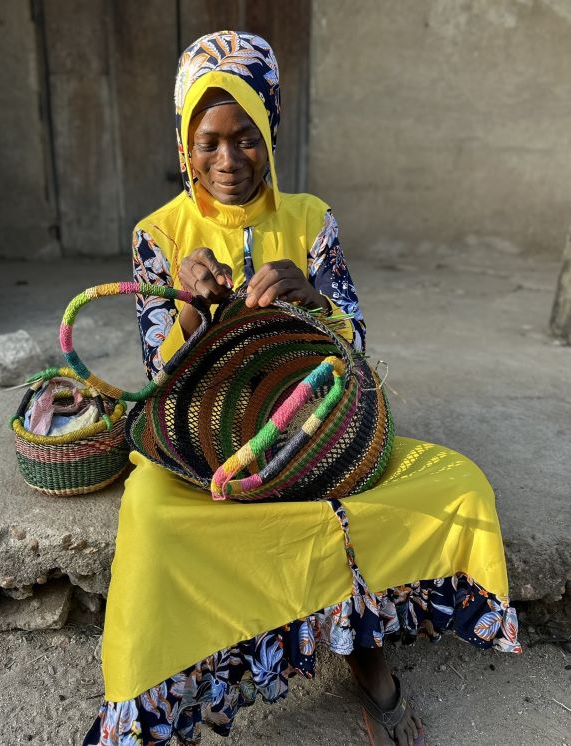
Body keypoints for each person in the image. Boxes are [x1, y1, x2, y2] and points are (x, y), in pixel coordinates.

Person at [83, 31, 520, 746]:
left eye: (247, 138)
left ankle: (363, 648)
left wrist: (314, 299)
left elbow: (358, 354)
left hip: (321, 439)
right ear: (183, 145)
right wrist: (191, 307)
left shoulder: (311, 219)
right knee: (152, 522)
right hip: (212, 458)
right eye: (208, 142)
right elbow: (159, 386)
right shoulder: (158, 234)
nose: (228, 161)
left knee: (457, 483)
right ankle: (164, 708)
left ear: (272, 131)